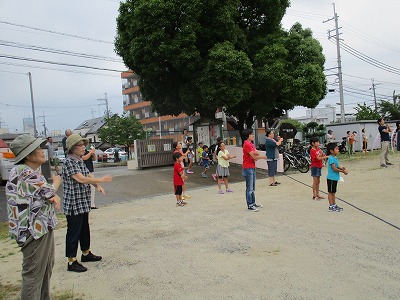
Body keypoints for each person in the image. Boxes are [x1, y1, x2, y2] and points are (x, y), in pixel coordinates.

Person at [6, 134, 61, 300]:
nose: (42, 150)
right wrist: (56, 182)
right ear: (28, 155)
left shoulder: (28, 172)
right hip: (34, 230)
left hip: (41, 226)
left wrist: (52, 194)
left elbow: (41, 194)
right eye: (37, 148)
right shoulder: (25, 172)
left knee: (45, 268)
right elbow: (49, 190)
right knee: (34, 274)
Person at [62, 134, 112, 272]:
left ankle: (86, 253)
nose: (83, 147)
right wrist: (101, 180)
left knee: (84, 229)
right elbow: (81, 179)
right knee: (73, 231)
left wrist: (98, 186)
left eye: (83, 144)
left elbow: (88, 175)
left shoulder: (79, 161)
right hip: (73, 203)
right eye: (80, 145)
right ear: (72, 148)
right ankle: (71, 261)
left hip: (83, 202)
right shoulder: (69, 162)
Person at [242, 128, 266, 212]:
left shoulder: (251, 144)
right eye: (251, 134)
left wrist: (256, 155)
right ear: (247, 136)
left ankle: (253, 203)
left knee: (252, 187)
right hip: (248, 167)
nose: (253, 135)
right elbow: (254, 156)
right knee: (249, 188)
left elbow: (256, 153)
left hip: (252, 166)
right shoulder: (247, 144)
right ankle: (250, 205)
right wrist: (262, 157)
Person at [326, 142, 348, 212]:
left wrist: (342, 168)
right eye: (336, 149)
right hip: (331, 178)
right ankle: (331, 205)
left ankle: (334, 204)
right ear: (331, 151)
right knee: (330, 192)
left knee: (333, 192)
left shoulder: (335, 158)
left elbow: (337, 166)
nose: (338, 150)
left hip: (335, 178)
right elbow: (334, 169)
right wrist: (343, 171)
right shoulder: (331, 158)